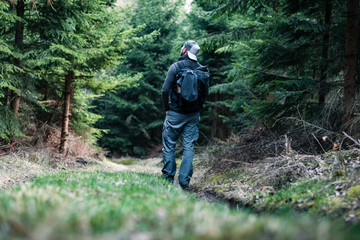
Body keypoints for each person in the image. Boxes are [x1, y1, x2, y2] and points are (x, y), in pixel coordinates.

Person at [161, 40, 203, 190]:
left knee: (169, 145)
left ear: (185, 50)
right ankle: (184, 182)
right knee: (188, 147)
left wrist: (167, 108)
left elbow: (165, 90)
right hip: (193, 115)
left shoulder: (176, 67)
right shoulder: (201, 69)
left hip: (175, 113)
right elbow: (205, 94)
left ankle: (167, 179)